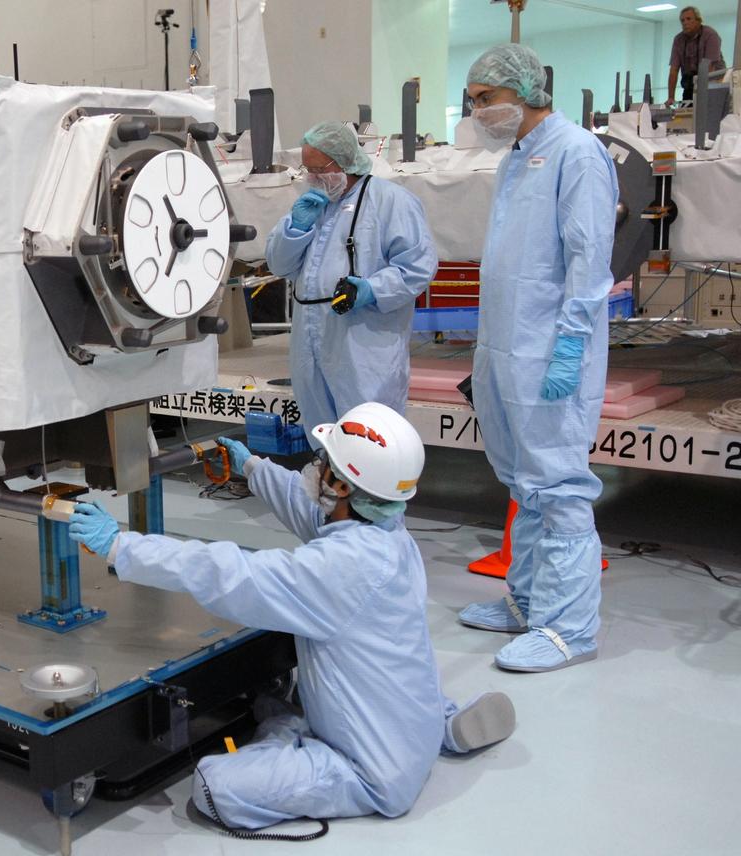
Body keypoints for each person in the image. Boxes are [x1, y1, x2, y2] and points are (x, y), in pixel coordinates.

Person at [68, 403, 516, 828]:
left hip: (371, 773)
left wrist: (123, 546)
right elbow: (313, 515)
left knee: (213, 786)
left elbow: (231, 573)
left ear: (342, 486)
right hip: (409, 720)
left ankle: (288, 731)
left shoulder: (339, 570)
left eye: (324, 461)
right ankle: (444, 728)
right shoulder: (389, 536)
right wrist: (253, 468)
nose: (315, 466)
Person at [460, 44, 617, 673]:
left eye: (484, 99)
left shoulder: (577, 151)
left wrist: (572, 343)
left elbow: (588, 259)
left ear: (523, 90)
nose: (477, 113)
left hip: (551, 348)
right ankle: (527, 602)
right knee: (524, 483)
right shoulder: (516, 159)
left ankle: (570, 627)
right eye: (472, 101)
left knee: (557, 485)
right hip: (507, 347)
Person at [265, 121, 437, 437]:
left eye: (320, 169)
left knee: (368, 440)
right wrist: (296, 229)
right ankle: (329, 486)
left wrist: (372, 289)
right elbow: (279, 265)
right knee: (323, 436)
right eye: (308, 170)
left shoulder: (391, 201)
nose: (314, 178)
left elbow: (417, 267)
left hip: (363, 346)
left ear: (344, 162)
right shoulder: (313, 204)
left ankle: (367, 487)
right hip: (310, 342)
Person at [667, 6, 726, 103]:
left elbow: (709, 67)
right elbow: (673, 70)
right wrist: (671, 97)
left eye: (689, 19)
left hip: (714, 83)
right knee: (687, 112)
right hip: (691, 85)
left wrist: (703, 94)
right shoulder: (679, 40)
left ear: (698, 20)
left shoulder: (710, 35)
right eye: (682, 20)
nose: (685, 23)